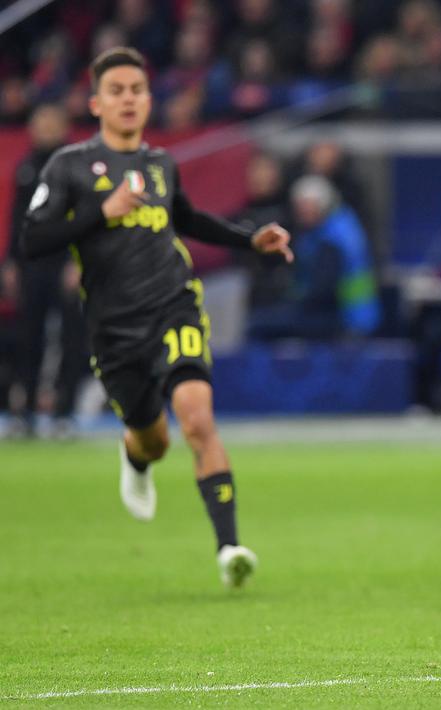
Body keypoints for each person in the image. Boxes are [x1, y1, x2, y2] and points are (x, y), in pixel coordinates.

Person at [20, 48, 293, 588]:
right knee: (155, 440)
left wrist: (249, 240)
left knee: (196, 417)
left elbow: (187, 219)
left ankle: (230, 548)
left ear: (149, 101)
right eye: (116, 91)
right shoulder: (68, 166)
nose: (128, 99)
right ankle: (136, 455)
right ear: (96, 103)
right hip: (114, 328)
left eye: (137, 90)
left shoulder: (159, 165)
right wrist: (100, 212)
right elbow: (32, 239)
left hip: (174, 304)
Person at [4, 104, 87, 438]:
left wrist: (79, 261)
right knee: (28, 338)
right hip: (32, 264)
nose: (45, 129)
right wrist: (11, 261)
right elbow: (17, 219)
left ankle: (64, 413)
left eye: (51, 123)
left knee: (70, 339)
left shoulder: (76, 167)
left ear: (64, 127)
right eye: (39, 123)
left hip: (64, 263)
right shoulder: (26, 167)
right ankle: (23, 413)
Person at [246, 175, 379, 340]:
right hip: (338, 312)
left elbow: (323, 288)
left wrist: (291, 296)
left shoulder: (332, 239)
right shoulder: (329, 227)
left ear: (322, 205)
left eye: (307, 207)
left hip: (346, 317)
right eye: (299, 207)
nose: (302, 213)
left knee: (259, 325)